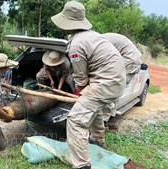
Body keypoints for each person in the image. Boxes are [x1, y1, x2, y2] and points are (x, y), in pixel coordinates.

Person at [51, 1, 126, 169]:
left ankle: (82, 165)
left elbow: (80, 76)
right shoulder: (92, 35)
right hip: (117, 82)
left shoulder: (76, 44)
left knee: (76, 120)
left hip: (104, 83)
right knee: (95, 109)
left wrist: (82, 93)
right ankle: (98, 140)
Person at [101, 32, 143, 130]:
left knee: (111, 90)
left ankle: (102, 122)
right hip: (129, 60)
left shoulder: (99, 42)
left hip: (129, 61)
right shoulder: (99, 39)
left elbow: (102, 61)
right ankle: (111, 119)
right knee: (115, 91)